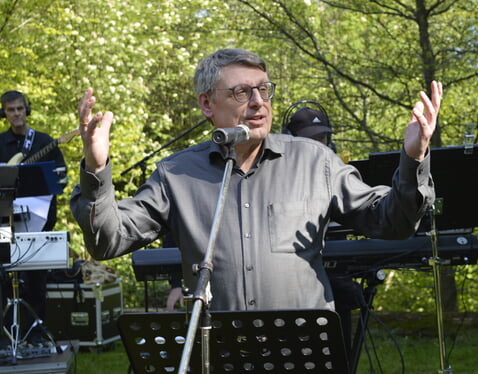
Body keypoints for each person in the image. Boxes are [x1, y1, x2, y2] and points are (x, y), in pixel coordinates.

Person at [71, 48, 441, 314]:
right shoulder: (176, 175)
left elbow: (392, 221)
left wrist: (413, 157)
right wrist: (96, 165)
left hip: (303, 349)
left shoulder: (315, 162)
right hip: (217, 352)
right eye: (241, 92)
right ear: (206, 104)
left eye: (264, 89)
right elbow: (107, 240)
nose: (258, 102)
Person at [284, 104, 363, 356]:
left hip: (338, 281)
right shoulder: (277, 177)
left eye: (323, 138)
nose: (319, 145)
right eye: (311, 139)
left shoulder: (339, 174)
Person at [0, 90, 67, 346]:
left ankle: (36, 333)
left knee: (37, 278)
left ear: (27, 110)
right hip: (4, 222)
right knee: (5, 274)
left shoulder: (44, 142)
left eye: (20, 109)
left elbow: (60, 177)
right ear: (4, 113)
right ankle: (9, 335)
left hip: (39, 221)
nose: (16, 114)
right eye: (10, 110)